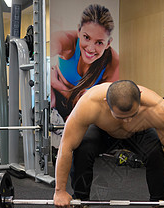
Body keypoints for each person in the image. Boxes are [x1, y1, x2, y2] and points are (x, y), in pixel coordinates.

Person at [53, 80, 164, 208]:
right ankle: (80, 206)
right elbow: (66, 146)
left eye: (132, 115)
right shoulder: (89, 103)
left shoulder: (158, 108)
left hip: (139, 132)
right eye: (120, 117)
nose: (127, 121)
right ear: (106, 102)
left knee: (155, 151)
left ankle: (159, 207)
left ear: (140, 97)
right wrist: (60, 190)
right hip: (103, 131)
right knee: (83, 148)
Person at [49, 4, 119, 153]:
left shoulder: (113, 62)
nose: (91, 48)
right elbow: (43, 53)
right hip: (59, 102)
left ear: (108, 43)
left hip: (83, 107)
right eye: (86, 37)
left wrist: (56, 83)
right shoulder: (67, 41)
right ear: (79, 31)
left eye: (99, 42)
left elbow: (101, 103)